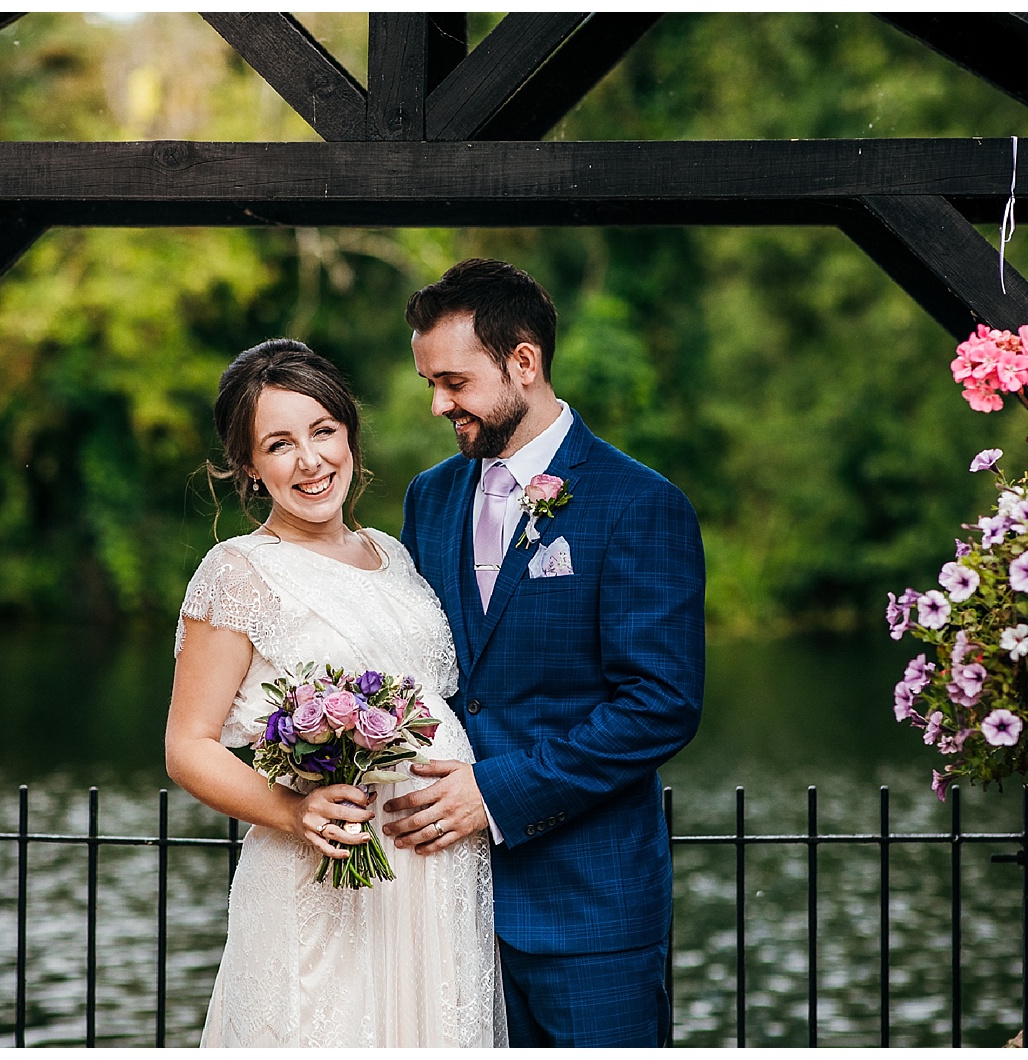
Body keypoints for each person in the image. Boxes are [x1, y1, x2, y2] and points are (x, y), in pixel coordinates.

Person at [386, 258, 704, 1047]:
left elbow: (660, 705)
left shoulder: (641, 504)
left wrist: (494, 795)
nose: (437, 404)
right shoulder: (429, 497)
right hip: (447, 911)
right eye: (430, 382)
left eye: (454, 382)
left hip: (590, 914)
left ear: (523, 362)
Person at [167, 339, 505, 1047]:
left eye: (323, 431)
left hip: (431, 877)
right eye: (280, 444)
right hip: (322, 877)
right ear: (249, 466)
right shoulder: (237, 572)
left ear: (349, 432)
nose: (311, 461)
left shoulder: (394, 555)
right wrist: (294, 812)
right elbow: (188, 746)